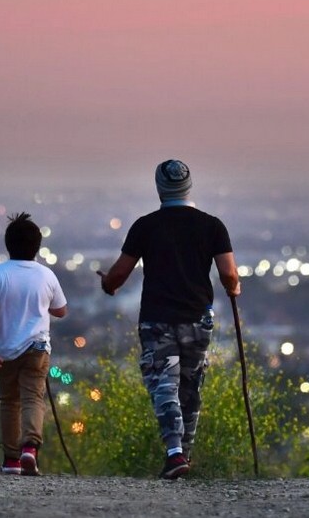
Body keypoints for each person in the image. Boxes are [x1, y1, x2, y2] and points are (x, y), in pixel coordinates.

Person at [97, 159, 240, 480]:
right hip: (197, 320)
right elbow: (228, 273)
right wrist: (235, 288)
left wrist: (107, 283)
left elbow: (119, 274)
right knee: (190, 387)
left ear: (159, 188)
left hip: (157, 319)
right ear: (189, 186)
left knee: (164, 383)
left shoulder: (146, 226)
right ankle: (184, 456)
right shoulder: (212, 225)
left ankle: (175, 453)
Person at [0, 212, 68, 476]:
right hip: (37, 349)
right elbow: (61, 310)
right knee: (32, 398)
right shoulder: (46, 275)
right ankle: (30, 448)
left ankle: (11, 460)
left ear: (8, 244)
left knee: (9, 402)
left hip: (4, 351)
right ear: (37, 247)